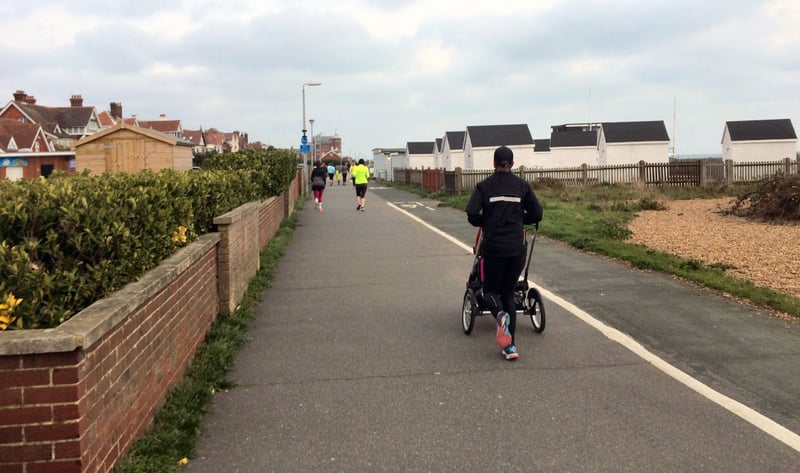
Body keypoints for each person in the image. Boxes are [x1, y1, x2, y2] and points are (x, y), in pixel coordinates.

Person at [465, 146, 542, 360]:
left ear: (493, 163)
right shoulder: (522, 186)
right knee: (508, 293)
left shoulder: (484, 186)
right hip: (516, 249)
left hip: (494, 249)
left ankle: (499, 316)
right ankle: (510, 347)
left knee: (489, 291)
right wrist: (519, 219)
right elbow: (537, 213)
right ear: (513, 164)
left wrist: (487, 221)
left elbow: (471, 214)